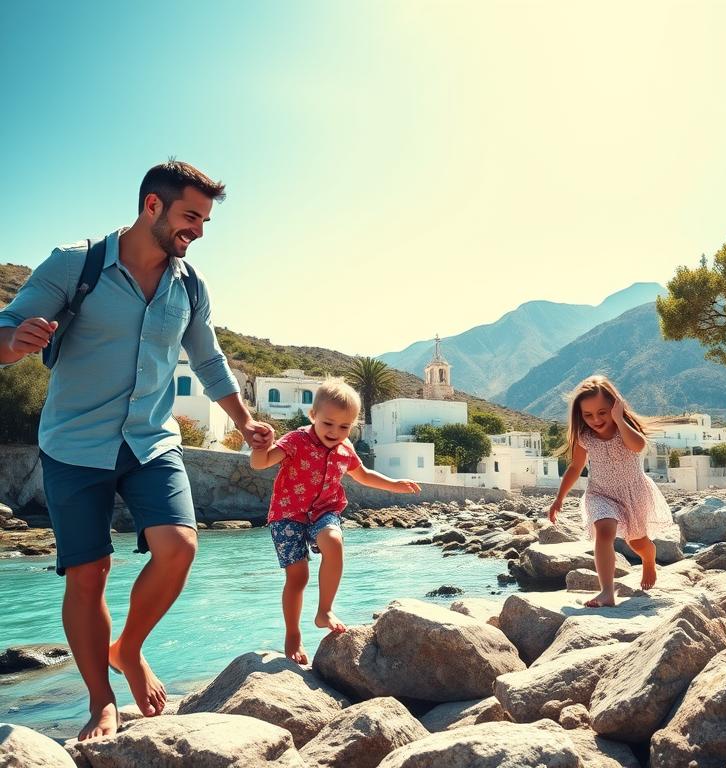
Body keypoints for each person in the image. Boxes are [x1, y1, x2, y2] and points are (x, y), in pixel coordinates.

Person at [0, 160, 274, 739]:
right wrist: (13, 342)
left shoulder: (189, 284)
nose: (198, 230)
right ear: (153, 205)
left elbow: (208, 359)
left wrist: (244, 421)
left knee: (178, 548)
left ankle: (129, 648)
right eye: (190, 216)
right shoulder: (77, 264)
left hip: (151, 441)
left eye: (204, 220)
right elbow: (8, 328)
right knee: (89, 573)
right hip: (74, 444)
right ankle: (100, 700)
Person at [250, 377, 421, 665]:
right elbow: (261, 463)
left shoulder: (345, 449)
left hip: (324, 510)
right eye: (328, 423)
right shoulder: (295, 440)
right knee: (298, 576)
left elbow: (363, 475)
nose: (335, 431)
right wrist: (259, 446)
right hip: (287, 513)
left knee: (334, 542)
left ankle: (324, 611)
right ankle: (293, 634)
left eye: (344, 426)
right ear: (313, 415)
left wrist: (394, 484)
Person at [548, 375, 673, 606]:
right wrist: (559, 498)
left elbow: (638, 446)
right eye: (588, 415)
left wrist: (619, 419)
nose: (595, 419)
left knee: (636, 543)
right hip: (600, 494)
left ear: (615, 406)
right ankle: (606, 591)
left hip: (632, 493)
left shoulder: (625, 429)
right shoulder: (584, 437)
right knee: (604, 533)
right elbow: (575, 467)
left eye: (602, 412)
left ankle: (649, 557)